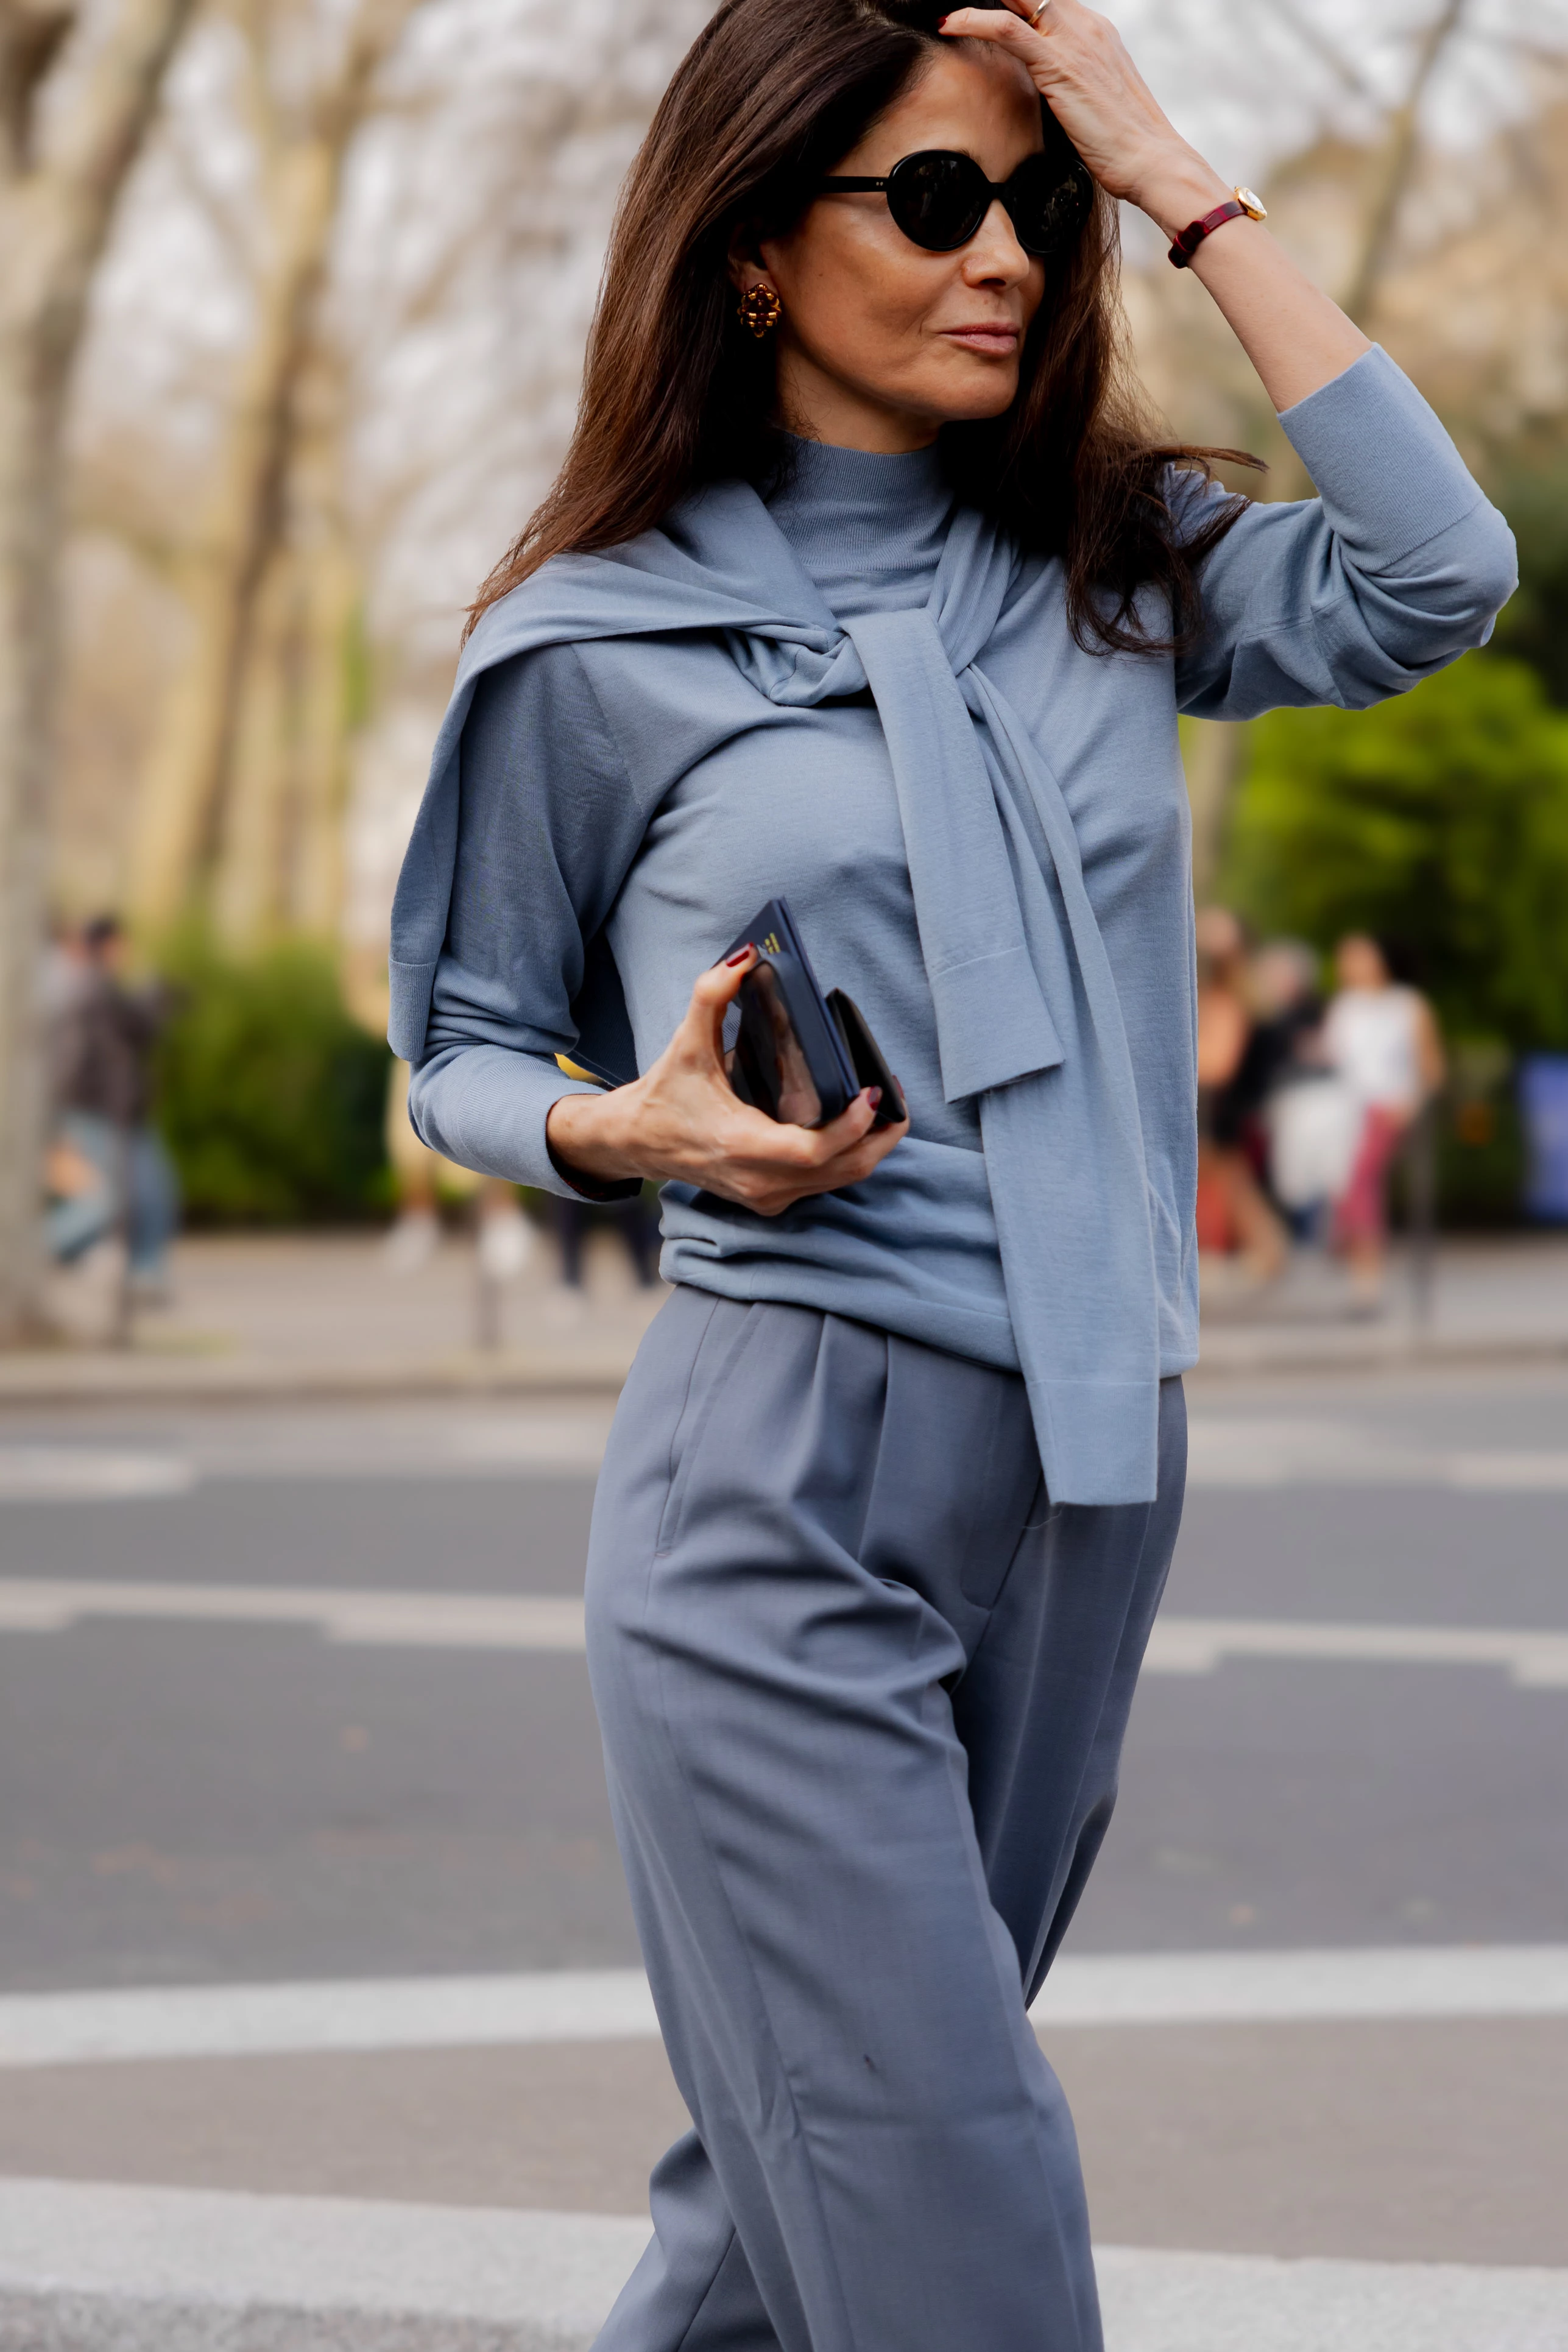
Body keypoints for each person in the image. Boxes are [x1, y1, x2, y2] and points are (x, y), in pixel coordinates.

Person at [388, 3, 1515, 2343]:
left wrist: (1177, 178)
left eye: (1031, 199)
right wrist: (620, 1124)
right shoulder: (596, 648)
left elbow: (1442, 569)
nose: (1004, 249)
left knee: (775, 2222)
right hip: (777, 1478)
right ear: (758, 257)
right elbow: (464, 1053)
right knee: (950, 2206)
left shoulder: (1121, 566)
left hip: (1097, 1475)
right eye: (930, 200)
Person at [46, 916, 180, 1301]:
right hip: (100, 1114)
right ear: (109, 945)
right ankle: (31, 1253)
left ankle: (143, 1271)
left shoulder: (90, 988)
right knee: (115, 1200)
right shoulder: (95, 990)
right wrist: (153, 1003)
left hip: (114, 1113)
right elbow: (135, 1032)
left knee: (139, 1197)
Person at [1324, 932, 1446, 1307]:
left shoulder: (1407, 1006)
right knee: (1346, 1182)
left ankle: (1367, 1274)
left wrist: (1410, 1104)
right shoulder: (1344, 1007)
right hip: (1345, 1110)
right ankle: (1354, 1252)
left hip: (1386, 1107)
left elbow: (1432, 1068)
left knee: (1360, 1181)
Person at [1195, 905, 1288, 1279]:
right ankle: (1266, 1251)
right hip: (1226, 1103)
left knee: (1232, 1183)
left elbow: (1219, 1063)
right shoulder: (1232, 994)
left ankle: (1267, 1252)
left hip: (1223, 1105)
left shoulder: (1234, 997)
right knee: (1231, 1183)